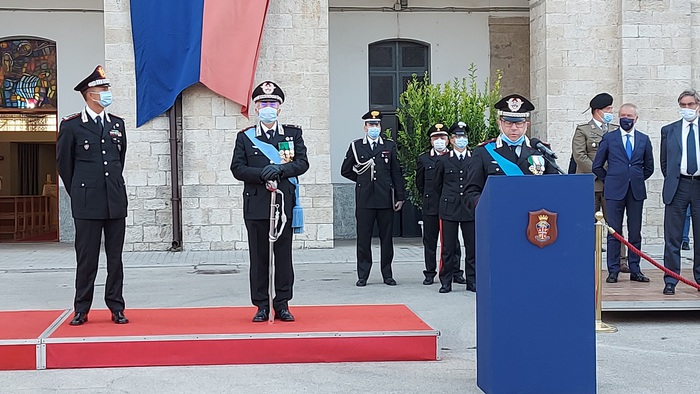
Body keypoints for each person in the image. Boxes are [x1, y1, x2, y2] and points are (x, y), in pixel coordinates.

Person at [230, 81, 309, 322]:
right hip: (256, 205)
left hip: (283, 204)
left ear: (280, 108)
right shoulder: (245, 137)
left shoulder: (292, 134)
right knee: (259, 257)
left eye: (272, 103)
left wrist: (279, 170)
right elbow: (237, 168)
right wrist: (261, 173)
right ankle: (261, 305)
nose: (268, 107)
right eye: (263, 103)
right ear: (255, 107)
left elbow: (302, 163)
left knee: (283, 256)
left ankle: (282, 303)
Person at [56, 65, 129, 325]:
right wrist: (79, 192)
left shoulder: (116, 124)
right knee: (87, 258)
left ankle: (116, 306)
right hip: (87, 203)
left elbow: (119, 160)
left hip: (115, 201)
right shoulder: (72, 125)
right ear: (89, 94)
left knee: (115, 259)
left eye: (106, 88)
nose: (106, 93)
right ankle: (82, 308)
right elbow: (65, 166)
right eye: (101, 89)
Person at [341, 110, 406, 286]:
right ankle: (363, 275)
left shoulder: (389, 145)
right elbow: (345, 170)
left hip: (385, 198)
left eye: (376, 125)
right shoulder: (356, 146)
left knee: (387, 239)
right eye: (371, 125)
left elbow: (396, 172)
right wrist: (362, 180)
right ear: (365, 127)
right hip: (365, 199)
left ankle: (387, 274)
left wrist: (399, 196)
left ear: (380, 127)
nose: (374, 128)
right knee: (364, 238)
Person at [592, 103, 654, 284]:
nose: (626, 118)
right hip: (613, 191)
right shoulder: (609, 138)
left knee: (635, 232)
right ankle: (613, 270)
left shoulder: (644, 139)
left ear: (636, 118)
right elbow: (597, 165)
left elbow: (649, 166)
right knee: (614, 232)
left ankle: (635, 269)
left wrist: (636, 178)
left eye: (629, 116)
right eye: (622, 115)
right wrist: (610, 179)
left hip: (635, 191)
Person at [466, 94, 558, 208]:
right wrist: (485, 206)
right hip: (499, 214)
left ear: (526, 125)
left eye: (519, 123)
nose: (514, 128)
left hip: (534, 215)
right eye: (508, 123)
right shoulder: (484, 152)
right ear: (500, 124)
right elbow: (471, 191)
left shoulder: (540, 150)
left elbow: (554, 186)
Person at [572, 93, 629, 272]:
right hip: (590, 183)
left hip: (611, 185)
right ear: (598, 111)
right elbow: (580, 156)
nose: (611, 112)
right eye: (608, 109)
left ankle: (621, 260)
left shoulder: (614, 130)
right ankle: (584, 258)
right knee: (586, 223)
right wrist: (600, 172)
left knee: (614, 223)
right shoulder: (583, 130)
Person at [660, 89, 700, 295]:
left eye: (690, 105)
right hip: (679, 185)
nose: (686, 109)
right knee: (673, 237)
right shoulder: (669, 130)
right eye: (683, 105)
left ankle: (699, 279)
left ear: (698, 105)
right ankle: (671, 279)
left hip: (699, 184)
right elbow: (664, 163)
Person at [416, 123, 464, 285]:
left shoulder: (453, 157)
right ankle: (430, 272)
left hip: (450, 206)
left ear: (448, 140)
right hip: (431, 205)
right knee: (430, 240)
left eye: (442, 137)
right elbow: (420, 183)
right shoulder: (423, 158)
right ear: (431, 141)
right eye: (435, 138)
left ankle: (456, 271)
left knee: (452, 242)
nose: (439, 141)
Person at [434, 122, 475, 293]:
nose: (461, 140)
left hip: (469, 207)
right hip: (449, 208)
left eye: (463, 137)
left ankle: (472, 281)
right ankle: (446, 281)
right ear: (451, 140)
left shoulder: (474, 158)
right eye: (457, 137)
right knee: (448, 248)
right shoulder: (443, 160)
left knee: (472, 247)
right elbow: (437, 185)